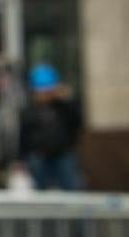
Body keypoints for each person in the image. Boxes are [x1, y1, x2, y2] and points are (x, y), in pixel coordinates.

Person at [20, 63, 84, 191]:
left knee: (71, 186)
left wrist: (67, 100)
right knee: (39, 188)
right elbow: (24, 135)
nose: (43, 95)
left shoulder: (63, 107)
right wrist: (21, 159)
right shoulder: (30, 110)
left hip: (63, 153)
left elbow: (77, 122)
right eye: (40, 91)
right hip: (39, 155)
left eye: (46, 91)